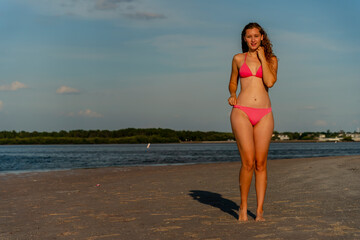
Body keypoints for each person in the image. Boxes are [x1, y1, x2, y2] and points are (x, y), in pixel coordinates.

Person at [228, 22, 278, 222]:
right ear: (244, 39)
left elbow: (270, 82)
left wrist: (262, 58)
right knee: (248, 162)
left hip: (264, 113)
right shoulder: (238, 59)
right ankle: (243, 206)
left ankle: (259, 211)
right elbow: (233, 81)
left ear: (262, 38)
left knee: (261, 163)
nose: (253, 39)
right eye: (249, 36)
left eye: (256, 36)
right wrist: (232, 94)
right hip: (241, 112)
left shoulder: (271, 59)